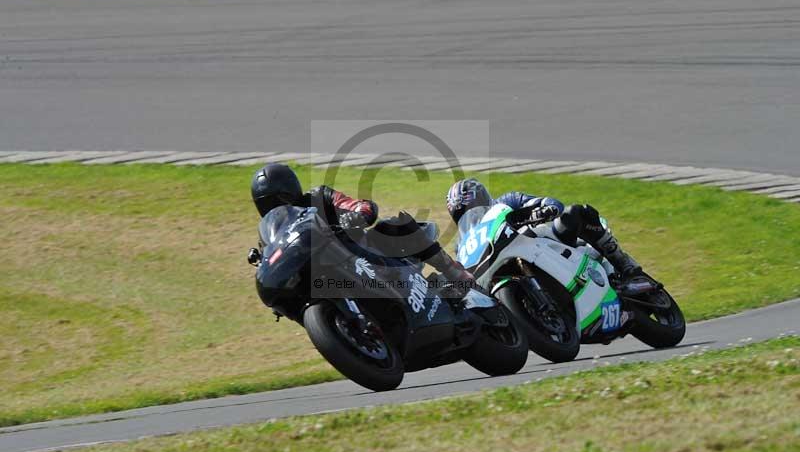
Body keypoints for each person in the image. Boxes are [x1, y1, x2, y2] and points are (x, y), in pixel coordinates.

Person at [251, 163, 474, 283]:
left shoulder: (318, 197)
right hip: (325, 276)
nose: (272, 207)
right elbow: (271, 258)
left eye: (276, 200)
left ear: (289, 192)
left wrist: (357, 215)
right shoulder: (272, 231)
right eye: (266, 203)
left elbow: (360, 205)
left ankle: (455, 273)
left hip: (364, 252)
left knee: (397, 224)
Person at [446, 178, 643, 281]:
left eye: (475, 205)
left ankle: (621, 261)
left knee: (573, 213)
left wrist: (544, 209)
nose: (472, 214)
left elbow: (549, 203)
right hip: (505, 268)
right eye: (462, 213)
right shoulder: (461, 246)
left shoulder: (506, 201)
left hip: (546, 242)